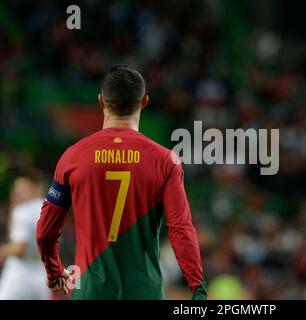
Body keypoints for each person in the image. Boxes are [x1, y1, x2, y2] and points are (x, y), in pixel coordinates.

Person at [36, 65, 207, 299]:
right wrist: (197, 287)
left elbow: (46, 231)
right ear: (144, 101)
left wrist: (54, 270)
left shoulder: (73, 157)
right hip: (144, 291)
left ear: (101, 101)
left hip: (89, 291)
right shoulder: (165, 161)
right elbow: (181, 229)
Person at [0, 171, 50, 299]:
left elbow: (19, 248)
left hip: (19, 276)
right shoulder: (49, 210)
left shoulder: (22, 211)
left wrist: (2, 251)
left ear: (34, 188)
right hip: (42, 275)